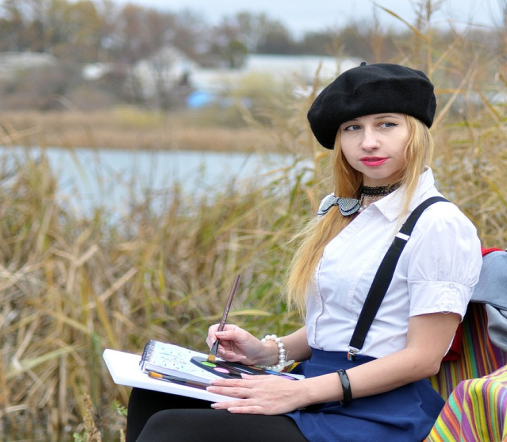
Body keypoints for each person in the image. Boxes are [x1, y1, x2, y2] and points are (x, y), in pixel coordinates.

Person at [125, 62, 483, 442]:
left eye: (386, 125)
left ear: (417, 131)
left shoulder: (439, 224)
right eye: (352, 128)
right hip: (317, 387)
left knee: (172, 428)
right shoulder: (343, 212)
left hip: (377, 411)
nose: (368, 142)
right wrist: (265, 352)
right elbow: (344, 326)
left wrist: (300, 392)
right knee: (153, 395)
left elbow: (423, 359)